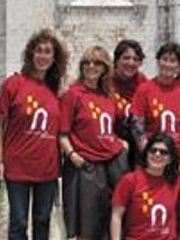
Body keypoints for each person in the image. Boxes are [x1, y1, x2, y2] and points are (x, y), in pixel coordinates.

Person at [0, 29, 66, 240]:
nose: (43, 56)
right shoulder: (13, 84)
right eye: (39, 51)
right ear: (31, 54)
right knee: (18, 222)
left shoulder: (56, 90)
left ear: (54, 58)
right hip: (17, 166)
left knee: (43, 220)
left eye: (48, 52)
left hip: (47, 168)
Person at [59, 46, 129, 240]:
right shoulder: (73, 94)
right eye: (87, 62)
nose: (91, 66)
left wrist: (122, 143)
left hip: (111, 164)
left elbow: (110, 127)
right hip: (86, 165)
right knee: (86, 227)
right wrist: (73, 156)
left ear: (105, 68)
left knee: (110, 221)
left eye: (97, 63)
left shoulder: (108, 96)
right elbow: (62, 133)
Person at [131, 42, 180, 173]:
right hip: (153, 156)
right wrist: (149, 155)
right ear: (158, 61)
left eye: (173, 61)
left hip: (177, 155)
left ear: (179, 65)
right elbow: (137, 126)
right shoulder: (144, 89)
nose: (168, 64)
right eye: (164, 59)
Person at [111, 133, 180, 240]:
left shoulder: (174, 181)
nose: (157, 154)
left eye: (164, 152)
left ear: (170, 159)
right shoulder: (130, 180)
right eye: (153, 150)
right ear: (146, 153)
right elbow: (116, 216)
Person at [112, 39, 150, 165]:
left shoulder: (142, 82)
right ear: (117, 60)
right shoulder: (106, 80)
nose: (131, 62)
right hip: (112, 139)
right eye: (126, 58)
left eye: (135, 59)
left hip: (137, 139)